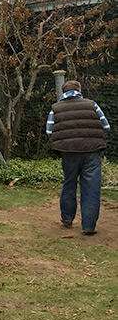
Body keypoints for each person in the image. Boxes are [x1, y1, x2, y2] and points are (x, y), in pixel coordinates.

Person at [46, 79, 110, 235]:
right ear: (79, 90)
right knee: (91, 189)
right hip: (91, 152)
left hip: (68, 153)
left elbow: (49, 132)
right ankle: (88, 227)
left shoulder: (56, 108)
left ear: (63, 92)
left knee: (69, 184)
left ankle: (67, 219)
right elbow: (106, 126)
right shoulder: (92, 104)